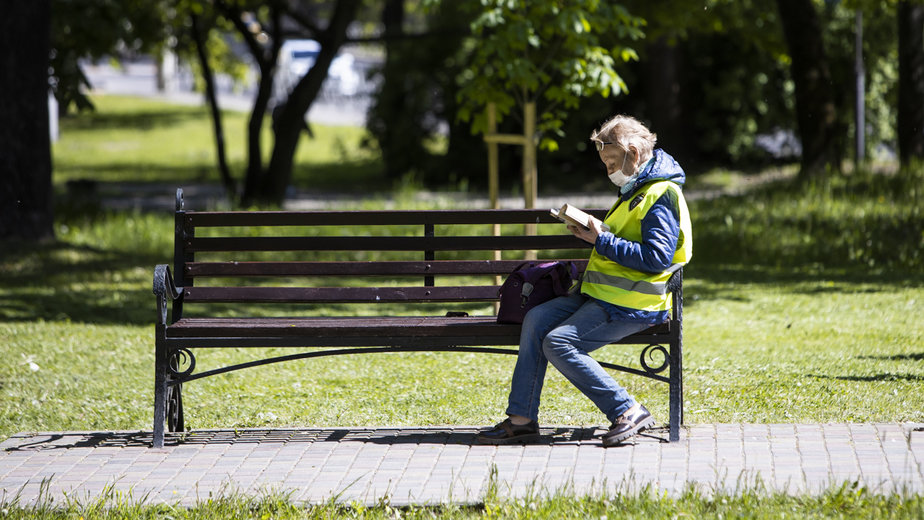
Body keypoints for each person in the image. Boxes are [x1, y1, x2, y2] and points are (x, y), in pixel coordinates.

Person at [477, 115, 693, 447]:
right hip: (604, 297)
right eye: (605, 163)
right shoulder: (636, 189)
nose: (609, 171)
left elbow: (656, 260)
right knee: (536, 319)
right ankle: (521, 420)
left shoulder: (660, 194)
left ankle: (627, 410)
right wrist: (595, 231)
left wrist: (601, 241)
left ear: (633, 153)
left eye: (611, 162)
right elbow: (627, 241)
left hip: (634, 305)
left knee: (559, 342)